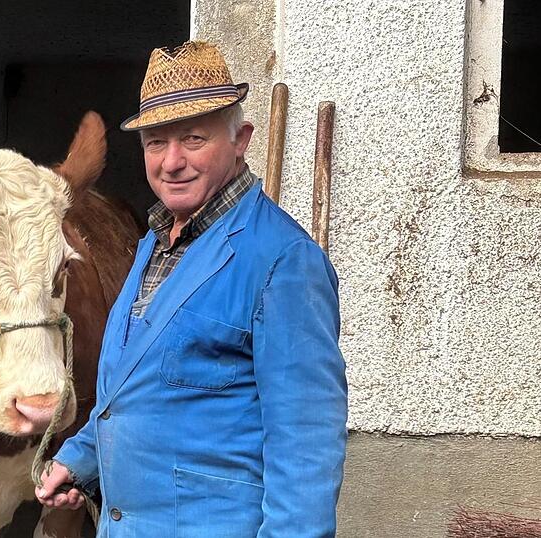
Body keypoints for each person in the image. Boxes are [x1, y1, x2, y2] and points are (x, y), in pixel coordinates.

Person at [35, 40, 348, 537]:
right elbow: (132, 392)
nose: (172, 161)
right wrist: (78, 460)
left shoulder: (282, 261)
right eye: (156, 142)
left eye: (194, 139)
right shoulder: (153, 244)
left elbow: (306, 444)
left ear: (240, 139)